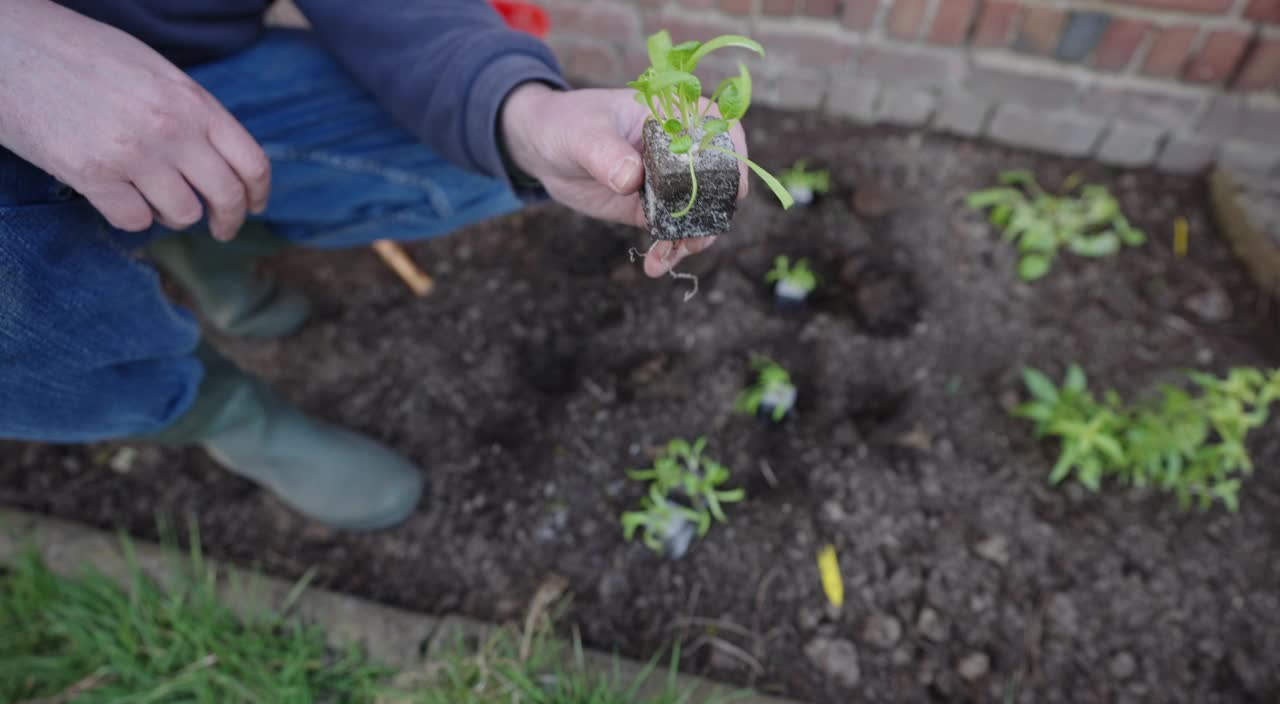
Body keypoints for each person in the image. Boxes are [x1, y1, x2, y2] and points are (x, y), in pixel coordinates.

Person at [0, 0, 750, 530]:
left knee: (483, 161)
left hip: (198, 78)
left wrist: (523, 111)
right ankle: (224, 414)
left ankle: (194, 240)